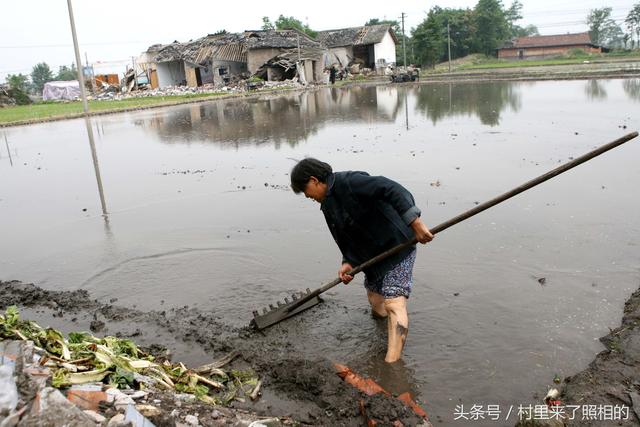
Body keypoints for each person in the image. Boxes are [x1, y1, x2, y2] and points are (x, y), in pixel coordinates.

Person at [290, 158, 433, 363]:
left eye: (305, 190)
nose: (307, 196)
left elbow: (392, 189)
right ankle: (388, 331)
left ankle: (391, 368)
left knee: (394, 304)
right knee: (376, 304)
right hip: (373, 258)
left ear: (314, 180)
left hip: (397, 247)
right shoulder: (328, 204)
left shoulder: (350, 182)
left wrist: (415, 222)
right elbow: (345, 235)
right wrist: (347, 261)